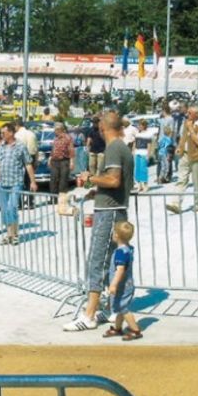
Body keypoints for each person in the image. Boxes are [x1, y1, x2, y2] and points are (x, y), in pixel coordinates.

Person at [64, 111, 133, 332]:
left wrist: (89, 178)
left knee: (97, 261)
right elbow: (115, 183)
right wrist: (97, 190)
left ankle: (89, 315)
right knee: (111, 263)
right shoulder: (122, 147)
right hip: (115, 209)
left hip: (109, 212)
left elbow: (113, 180)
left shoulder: (113, 148)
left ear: (103, 128)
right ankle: (114, 310)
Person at [0, 123, 38, 246]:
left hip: (16, 182)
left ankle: (15, 235)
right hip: (2, 182)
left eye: (3, 133)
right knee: (4, 210)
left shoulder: (20, 146)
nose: (1, 135)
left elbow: (28, 164)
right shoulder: (1, 147)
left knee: (12, 208)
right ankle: (9, 235)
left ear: (11, 133)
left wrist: (33, 181)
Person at [101, 221, 142, 341]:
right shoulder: (128, 249)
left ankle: (135, 330)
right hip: (126, 284)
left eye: (114, 232)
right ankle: (117, 328)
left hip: (122, 286)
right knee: (119, 307)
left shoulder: (120, 253)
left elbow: (120, 270)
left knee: (123, 309)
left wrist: (113, 284)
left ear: (116, 236)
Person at [166, 106, 198, 214]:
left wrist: (190, 128)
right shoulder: (186, 123)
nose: (187, 114)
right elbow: (183, 136)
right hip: (185, 155)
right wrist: (179, 147)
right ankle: (176, 203)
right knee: (181, 179)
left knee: (196, 181)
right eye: (188, 112)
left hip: (196, 156)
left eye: (190, 113)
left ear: (196, 114)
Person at [49, 122, 75, 195]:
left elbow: (71, 150)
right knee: (53, 179)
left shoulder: (68, 138)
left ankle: (62, 197)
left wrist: (72, 162)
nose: (54, 131)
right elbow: (53, 149)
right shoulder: (55, 138)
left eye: (55, 130)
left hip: (64, 161)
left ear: (59, 129)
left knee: (63, 180)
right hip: (55, 161)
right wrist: (50, 158)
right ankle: (53, 197)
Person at [133, 120, 153, 193]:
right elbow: (135, 143)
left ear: (144, 126)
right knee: (137, 170)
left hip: (144, 152)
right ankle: (139, 185)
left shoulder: (148, 134)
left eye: (140, 125)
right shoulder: (138, 133)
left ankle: (145, 185)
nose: (139, 126)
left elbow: (149, 145)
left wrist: (148, 154)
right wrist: (133, 151)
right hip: (137, 152)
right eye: (138, 125)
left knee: (143, 169)